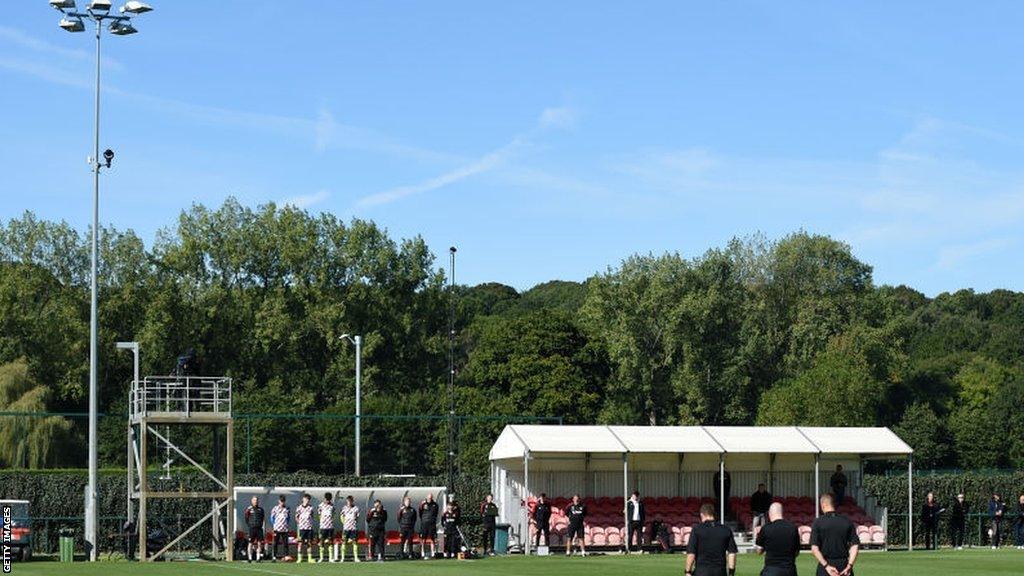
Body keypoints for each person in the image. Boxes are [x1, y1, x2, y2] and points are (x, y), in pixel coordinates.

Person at [810, 493, 859, 576]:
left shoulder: (818, 522)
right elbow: (855, 546)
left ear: (823, 505)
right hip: (844, 566)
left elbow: (814, 549)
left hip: (825, 567)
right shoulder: (847, 521)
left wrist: (826, 566)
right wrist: (849, 565)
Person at [685, 503, 738, 576]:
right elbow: (732, 553)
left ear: (702, 515)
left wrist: (688, 571)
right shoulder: (726, 530)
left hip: (701, 572)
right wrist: (731, 572)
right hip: (720, 572)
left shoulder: (697, 529)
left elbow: (691, 553)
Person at [756, 502, 800, 576]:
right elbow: (797, 552)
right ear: (782, 512)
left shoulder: (766, 528)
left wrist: (758, 536)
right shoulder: (793, 528)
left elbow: (759, 551)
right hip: (789, 570)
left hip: (771, 571)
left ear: (770, 513)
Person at [244, 496, 266, 563]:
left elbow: (263, 519)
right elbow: (246, 518)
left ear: (258, 501)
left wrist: (262, 526)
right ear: (252, 501)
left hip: (259, 528)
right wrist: (250, 525)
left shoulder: (261, 509)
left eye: (256, 500)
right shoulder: (249, 509)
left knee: (259, 543)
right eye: (254, 500)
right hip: (252, 529)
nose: (255, 501)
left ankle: (258, 558)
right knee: (250, 543)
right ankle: (250, 558)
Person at [340, 495, 361, 562]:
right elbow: (341, 516)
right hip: (346, 528)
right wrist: (344, 523)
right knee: (343, 542)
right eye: (348, 501)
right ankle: (342, 558)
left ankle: (356, 557)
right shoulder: (344, 508)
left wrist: (353, 523)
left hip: (353, 528)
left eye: (350, 501)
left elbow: (357, 518)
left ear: (352, 501)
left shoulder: (356, 508)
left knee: (354, 542)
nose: (349, 502)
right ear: (346, 501)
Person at [270, 494, 291, 561]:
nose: (282, 502)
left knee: (285, 543)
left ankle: (286, 556)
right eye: (281, 501)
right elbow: (272, 518)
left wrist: (286, 525)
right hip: (277, 529)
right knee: (275, 543)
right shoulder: (275, 508)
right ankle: (274, 556)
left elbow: (288, 518)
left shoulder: (287, 508)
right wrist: (274, 525)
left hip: (284, 529)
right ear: (279, 501)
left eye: (283, 501)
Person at [419, 493, 440, 559]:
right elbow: (420, 512)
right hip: (424, 523)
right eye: (428, 498)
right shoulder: (423, 504)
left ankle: (433, 553)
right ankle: (422, 553)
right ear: (426, 497)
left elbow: (436, 513)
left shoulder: (435, 505)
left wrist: (432, 520)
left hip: (432, 524)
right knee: (423, 539)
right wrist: (424, 519)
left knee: (432, 539)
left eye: (431, 498)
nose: (429, 499)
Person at [317, 492, 336, 562]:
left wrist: (330, 521)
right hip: (323, 527)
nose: (328, 501)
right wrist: (323, 522)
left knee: (330, 542)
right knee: (321, 541)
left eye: (329, 500)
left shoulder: (332, 506)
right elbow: (319, 515)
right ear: (324, 499)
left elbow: (333, 514)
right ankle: (321, 558)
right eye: (327, 499)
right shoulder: (320, 506)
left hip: (330, 527)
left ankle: (330, 558)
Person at [295, 493, 315, 563]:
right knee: (300, 543)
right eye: (306, 499)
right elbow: (296, 517)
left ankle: (309, 558)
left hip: (309, 528)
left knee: (309, 543)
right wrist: (300, 524)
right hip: (302, 528)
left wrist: (310, 524)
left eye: (308, 500)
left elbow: (312, 517)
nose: (307, 501)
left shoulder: (311, 508)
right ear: (303, 499)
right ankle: (299, 558)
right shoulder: (299, 508)